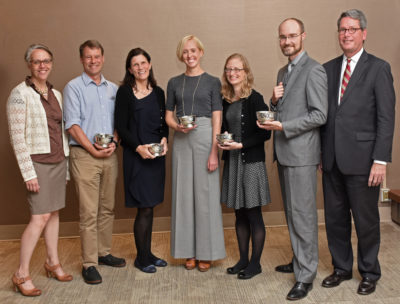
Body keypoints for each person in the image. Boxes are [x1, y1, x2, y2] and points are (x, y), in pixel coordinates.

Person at [321, 9, 395, 295]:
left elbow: (386, 118)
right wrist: (321, 153)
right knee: (335, 219)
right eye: (342, 29)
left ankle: (369, 272)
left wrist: (380, 159)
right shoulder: (327, 69)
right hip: (331, 159)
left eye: (352, 29)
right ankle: (341, 268)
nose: (346, 34)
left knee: (366, 221)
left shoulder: (379, 68)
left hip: (365, 161)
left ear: (363, 33)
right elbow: (326, 116)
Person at [258, 18, 328, 300]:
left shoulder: (314, 70)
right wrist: (273, 104)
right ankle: (300, 260)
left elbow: (319, 115)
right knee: (291, 214)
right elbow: (283, 110)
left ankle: (306, 275)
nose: (287, 41)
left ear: (303, 36)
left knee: (303, 216)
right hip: (284, 155)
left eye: (292, 36)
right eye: (282, 37)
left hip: (302, 156)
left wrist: (284, 127)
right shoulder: (282, 71)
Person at [7, 44, 73, 297]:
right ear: (29, 65)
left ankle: (52, 262)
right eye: (37, 62)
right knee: (39, 217)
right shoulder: (18, 94)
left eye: (46, 61)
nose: (42, 65)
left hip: (58, 161)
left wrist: (65, 167)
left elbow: (61, 131)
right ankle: (21, 273)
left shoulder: (56, 94)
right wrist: (28, 173)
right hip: (36, 163)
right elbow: (16, 137)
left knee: (54, 214)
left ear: (51, 63)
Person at [63, 40, 125, 285]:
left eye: (97, 56)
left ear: (103, 58)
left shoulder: (113, 89)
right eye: (88, 57)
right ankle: (89, 263)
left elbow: (119, 121)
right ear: (81, 59)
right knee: (89, 212)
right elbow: (72, 125)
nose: (93, 61)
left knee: (107, 208)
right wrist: (93, 150)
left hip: (109, 155)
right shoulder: (73, 87)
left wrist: (114, 143)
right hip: (85, 155)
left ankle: (103, 252)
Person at [166, 35, 226, 272]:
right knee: (183, 196)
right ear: (181, 55)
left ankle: (207, 252)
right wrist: (176, 127)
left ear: (201, 52)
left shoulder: (212, 82)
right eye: (185, 52)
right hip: (181, 138)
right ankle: (187, 252)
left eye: (193, 51)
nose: (189, 55)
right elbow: (169, 115)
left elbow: (217, 118)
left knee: (206, 197)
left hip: (205, 137)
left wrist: (214, 151)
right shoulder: (173, 82)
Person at [115, 48, 169, 273]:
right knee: (143, 208)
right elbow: (121, 126)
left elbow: (164, 123)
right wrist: (138, 148)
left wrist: (165, 139)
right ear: (130, 69)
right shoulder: (125, 93)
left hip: (156, 157)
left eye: (143, 62)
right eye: (135, 64)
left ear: (149, 64)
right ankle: (141, 258)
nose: (140, 67)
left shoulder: (158, 92)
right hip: (136, 157)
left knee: (151, 206)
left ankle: (148, 254)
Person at [219, 53, 271, 280]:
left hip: (251, 163)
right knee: (238, 214)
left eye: (237, 69)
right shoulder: (225, 99)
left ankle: (256, 263)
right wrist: (224, 139)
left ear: (246, 72)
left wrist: (242, 144)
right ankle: (242, 259)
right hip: (232, 162)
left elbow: (266, 132)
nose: (232, 73)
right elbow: (222, 129)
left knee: (253, 214)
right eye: (229, 69)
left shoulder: (256, 99)